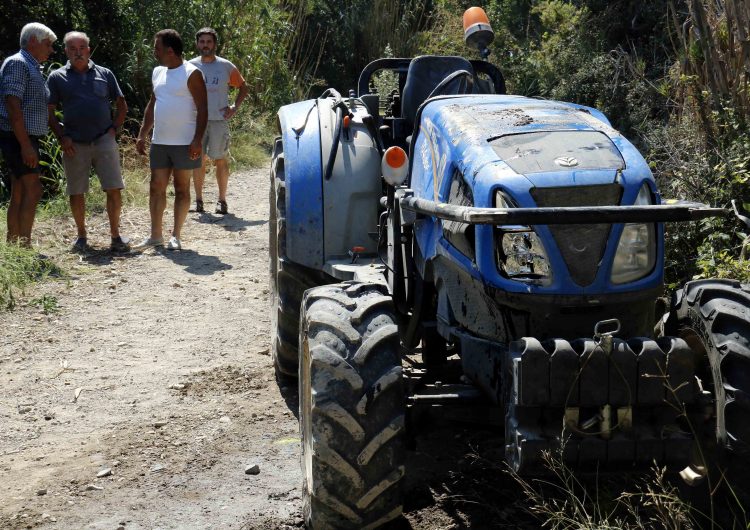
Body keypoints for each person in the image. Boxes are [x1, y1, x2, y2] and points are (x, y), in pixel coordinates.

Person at [47, 31, 130, 252]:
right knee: (76, 191)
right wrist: (61, 136)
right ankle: (82, 237)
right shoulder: (57, 77)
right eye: (72, 49)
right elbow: (49, 110)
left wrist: (114, 129)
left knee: (113, 188)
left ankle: (115, 236)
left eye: (82, 48)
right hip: (73, 143)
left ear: (89, 49)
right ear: (65, 51)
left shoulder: (105, 74)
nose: (78, 52)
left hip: (104, 139)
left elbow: (121, 103)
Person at [136, 29, 207, 250]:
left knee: (182, 188)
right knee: (156, 186)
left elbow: (203, 108)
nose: (154, 52)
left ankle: (175, 235)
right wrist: (142, 134)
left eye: (157, 48)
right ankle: (155, 235)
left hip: (185, 143)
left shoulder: (191, 73)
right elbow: (152, 104)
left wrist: (197, 140)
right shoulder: (158, 72)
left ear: (169, 51)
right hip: (160, 142)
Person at [0, 22, 56, 247]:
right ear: (33, 41)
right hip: (17, 137)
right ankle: (24, 245)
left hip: (21, 137)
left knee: (21, 191)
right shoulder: (18, 63)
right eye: (48, 44)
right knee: (33, 189)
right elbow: (13, 106)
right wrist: (25, 145)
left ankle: (16, 245)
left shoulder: (30, 65)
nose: (51, 50)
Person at [189, 27, 248, 215]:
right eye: (202, 42)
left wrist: (234, 107)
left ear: (214, 44)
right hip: (196, 120)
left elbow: (243, 87)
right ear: (197, 44)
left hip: (218, 120)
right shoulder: (189, 66)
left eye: (209, 42)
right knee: (197, 160)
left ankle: (222, 201)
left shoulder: (225, 66)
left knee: (220, 159)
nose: (205, 45)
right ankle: (198, 201)